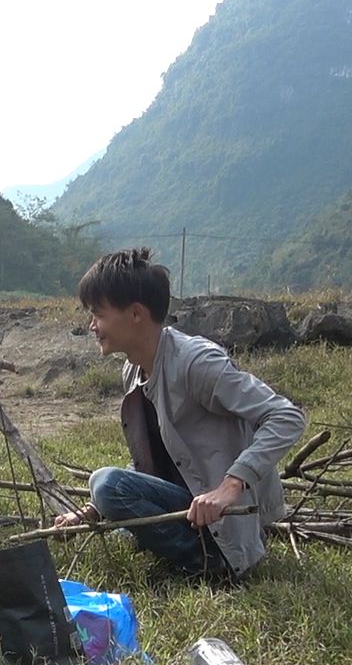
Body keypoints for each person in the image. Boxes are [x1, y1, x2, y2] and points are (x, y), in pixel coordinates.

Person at [53, 247, 305, 577]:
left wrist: (231, 486)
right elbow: (156, 460)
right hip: (186, 502)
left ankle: (209, 562)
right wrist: (89, 512)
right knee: (113, 495)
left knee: (106, 482)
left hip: (219, 518)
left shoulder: (196, 363)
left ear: (136, 314)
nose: (92, 326)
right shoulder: (134, 371)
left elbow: (286, 417)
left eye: (99, 314)